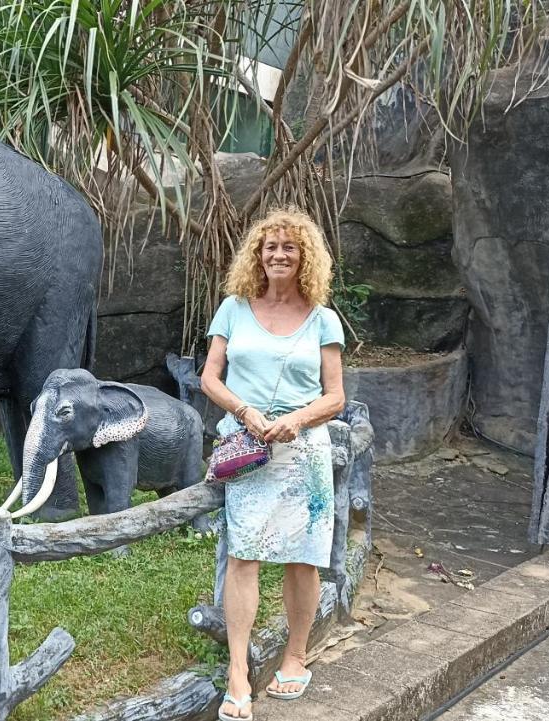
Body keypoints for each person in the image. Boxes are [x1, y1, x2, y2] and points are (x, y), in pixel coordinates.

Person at [200, 207, 346, 721]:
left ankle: (296, 656)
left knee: (302, 557)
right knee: (244, 553)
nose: (279, 255)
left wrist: (298, 420)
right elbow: (210, 378)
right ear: (256, 256)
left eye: (289, 247)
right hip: (248, 443)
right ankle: (237, 672)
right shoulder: (233, 308)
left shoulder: (324, 318)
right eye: (270, 247)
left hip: (304, 452)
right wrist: (245, 410)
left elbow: (335, 396)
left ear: (304, 256)